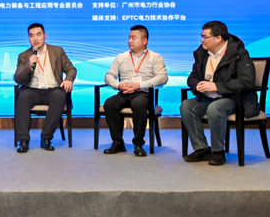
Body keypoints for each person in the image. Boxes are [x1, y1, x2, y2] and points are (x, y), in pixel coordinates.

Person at [180, 21, 258, 166]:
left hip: (233, 98)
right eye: (201, 36)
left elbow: (246, 81)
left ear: (218, 38)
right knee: (186, 106)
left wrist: (216, 86)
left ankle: (218, 152)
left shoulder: (238, 53)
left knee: (215, 108)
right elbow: (193, 77)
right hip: (208, 97)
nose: (201, 40)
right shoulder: (202, 53)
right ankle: (202, 148)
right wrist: (197, 84)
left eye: (205, 37)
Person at [103, 25, 168, 157]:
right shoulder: (121, 57)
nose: (129, 41)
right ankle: (118, 142)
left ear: (144, 41)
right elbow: (109, 76)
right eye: (129, 38)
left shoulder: (155, 57)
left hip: (144, 93)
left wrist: (139, 85)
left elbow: (163, 77)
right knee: (109, 103)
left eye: (133, 38)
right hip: (125, 93)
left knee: (139, 104)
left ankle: (138, 143)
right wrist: (119, 85)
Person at [14, 23, 76, 153]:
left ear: (45, 35)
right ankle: (23, 140)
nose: (35, 38)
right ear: (28, 38)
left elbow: (71, 69)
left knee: (59, 96)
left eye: (38, 34)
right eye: (31, 36)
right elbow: (18, 78)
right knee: (22, 97)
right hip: (32, 90)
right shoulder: (24, 55)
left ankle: (46, 138)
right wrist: (29, 65)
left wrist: (68, 79)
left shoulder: (57, 51)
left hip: (53, 89)